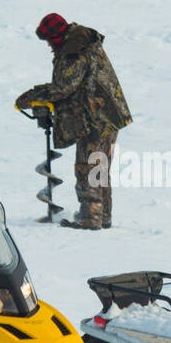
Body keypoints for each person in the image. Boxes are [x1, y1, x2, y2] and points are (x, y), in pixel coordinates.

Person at [15, 13, 132, 230]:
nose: (49, 46)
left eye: (49, 40)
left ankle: (90, 218)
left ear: (56, 36)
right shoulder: (83, 42)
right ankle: (101, 214)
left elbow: (64, 87)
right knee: (100, 166)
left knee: (88, 166)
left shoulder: (74, 51)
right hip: (108, 114)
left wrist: (33, 96)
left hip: (96, 116)